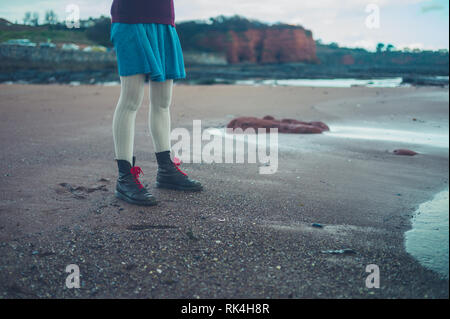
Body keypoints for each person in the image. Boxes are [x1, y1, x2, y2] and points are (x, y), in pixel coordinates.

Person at [110, 0, 203, 207]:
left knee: (162, 102)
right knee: (130, 100)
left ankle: (166, 170)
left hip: (164, 20)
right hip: (131, 19)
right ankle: (125, 177)